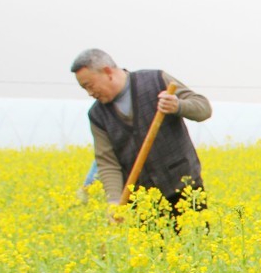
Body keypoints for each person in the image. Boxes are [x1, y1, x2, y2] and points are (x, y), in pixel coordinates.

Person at [70, 49, 211, 218]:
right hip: (143, 203)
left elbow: (203, 109)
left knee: (194, 242)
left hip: (185, 190)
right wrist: (114, 202)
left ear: (107, 72)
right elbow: (107, 162)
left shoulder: (156, 80)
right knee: (151, 245)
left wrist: (178, 106)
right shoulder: (97, 115)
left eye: (89, 85)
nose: (90, 93)